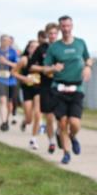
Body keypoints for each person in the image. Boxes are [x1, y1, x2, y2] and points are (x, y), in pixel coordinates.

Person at [44, 15, 92, 165]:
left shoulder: (80, 43)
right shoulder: (54, 47)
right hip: (59, 89)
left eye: (68, 26)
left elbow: (88, 58)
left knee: (75, 123)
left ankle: (73, 136)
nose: (66, 29)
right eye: (63, 26)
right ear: (60, 28)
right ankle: (66, 153)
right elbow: (46, 68)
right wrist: (53, 68)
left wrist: (88, 67)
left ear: (72, 26)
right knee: (63, 122)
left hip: (76, 88)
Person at [31, 23, 60, 153]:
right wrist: (45, 69)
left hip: (60, 84)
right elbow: (31, 66)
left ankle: (59, 133)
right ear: (47, 34)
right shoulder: (41, 48)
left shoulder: (63, 47)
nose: (52, 36)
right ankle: (52, 141)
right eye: (50, 33)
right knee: (49, 117)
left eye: (55, 33)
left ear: (58, 34)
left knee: (62, 117)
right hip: (46, 86)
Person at [14, 39, 43, 149]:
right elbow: (13, 72)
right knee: (29, 118)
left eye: (37, 47)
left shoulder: (42, 60)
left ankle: (33, 139)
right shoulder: (24, 60)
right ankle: (24, 121)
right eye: (32, 47)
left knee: (38, 114)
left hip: (39, 89)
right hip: (27, 89)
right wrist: (24, 78)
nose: (34, 49)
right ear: (28, 49)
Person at [0, 35, 19, 131]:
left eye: (8, 40)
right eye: (4, 40)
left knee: (10, 104)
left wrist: (6, 62)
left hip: (11, 80)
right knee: (3, 101)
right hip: (0, 79)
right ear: (0, 41)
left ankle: (6, 119)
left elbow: (17, 65)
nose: (6, 42)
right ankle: (4, 123)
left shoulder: (13, 52)